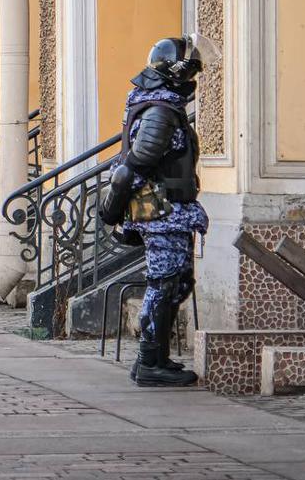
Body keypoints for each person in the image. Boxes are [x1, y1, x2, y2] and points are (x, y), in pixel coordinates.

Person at [98, 34, 216, 388]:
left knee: (177, 283)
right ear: (176, 72)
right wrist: (112, 210)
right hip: (163, 214)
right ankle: (149, 363)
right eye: (192, 68)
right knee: (163, 284)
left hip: (172, 213)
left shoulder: (161, 106)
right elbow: (137, 163)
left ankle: (158, 358)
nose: (195, 75)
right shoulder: (161, 112)